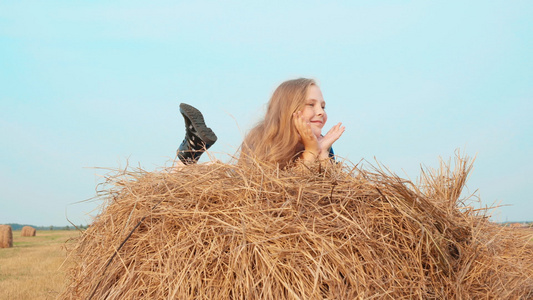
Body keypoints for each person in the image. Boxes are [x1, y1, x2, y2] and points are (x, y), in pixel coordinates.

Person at [175, 78, 345, 168]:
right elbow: (289, 191)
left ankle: (193, 143)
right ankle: (191, 148)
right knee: (197, 176)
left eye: (323, 106)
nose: (321, 111)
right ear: (289, 110)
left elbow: (324, 188)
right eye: (311, 105)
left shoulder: (323, 143)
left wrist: (321, 151)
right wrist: (311, 151)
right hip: (237, 187)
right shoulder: (267, 140)